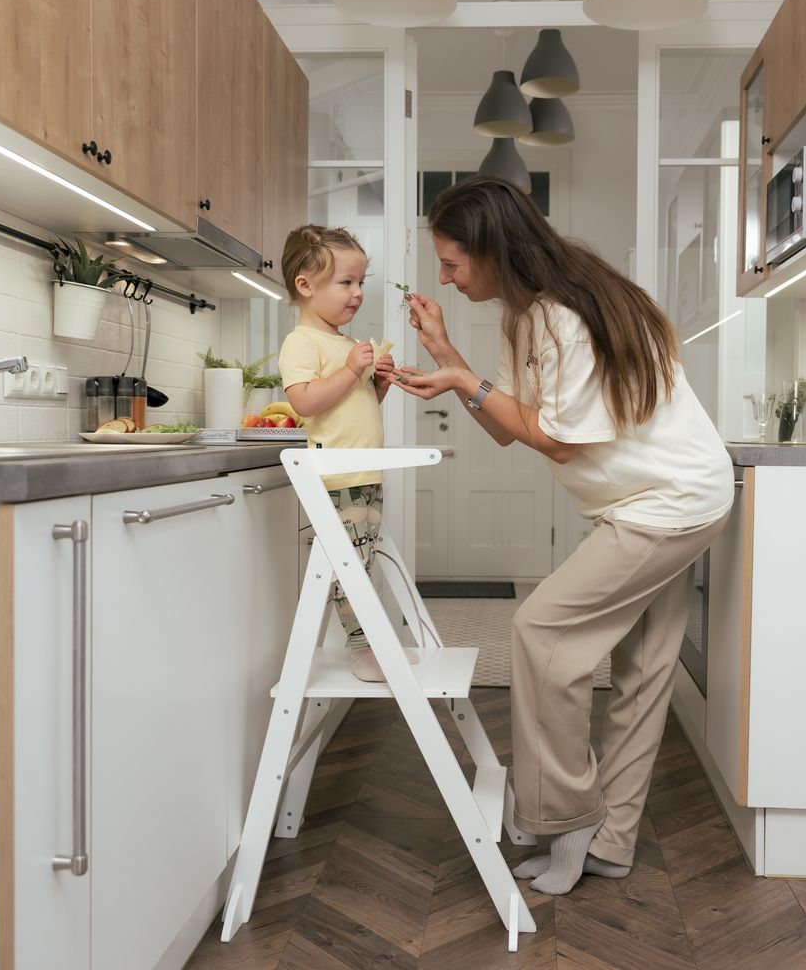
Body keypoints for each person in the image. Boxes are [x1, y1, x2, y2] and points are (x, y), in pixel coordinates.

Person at [387, 176, 734, 895]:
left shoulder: (563, 318)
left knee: (541, 631)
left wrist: (462, 380)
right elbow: (511, 427)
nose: (444, 278)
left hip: (669, 502)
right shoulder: (526, 317)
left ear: (492, 251)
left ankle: (566, 818)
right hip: (654, 499)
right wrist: (450, 360)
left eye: (452, 263)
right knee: (644, 666)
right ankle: (612, 841)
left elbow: (558, 440)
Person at [277, 224, 416, 683]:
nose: (357, 293)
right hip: (337, 478)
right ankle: (362, 650)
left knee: (363, 563)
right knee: (350, 568)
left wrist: (377, 384)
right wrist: (352, 369)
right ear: (305, 285)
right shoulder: (302, 341)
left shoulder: (347, 344)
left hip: (365, 473)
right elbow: (304, 402)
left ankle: (376, 644)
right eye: (346, 282)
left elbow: (354, 407)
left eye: (360, 282)